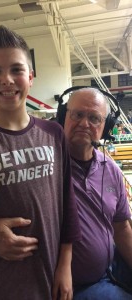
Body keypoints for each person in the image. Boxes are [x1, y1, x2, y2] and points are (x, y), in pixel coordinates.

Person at [0, 25, 81, 300]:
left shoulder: (53, 134)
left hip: (50, 274)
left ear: (31, 75)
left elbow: (68, 202)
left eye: (16, 69)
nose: (7, 79)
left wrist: (65, 265)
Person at [63, 87, 132, 299]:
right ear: (63, 117)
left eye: (94, 118)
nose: (85, 123)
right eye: (78, 115)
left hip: (110, 268)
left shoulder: (110, 169)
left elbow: (121, 228)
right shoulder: (48, 166)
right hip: (76, 285)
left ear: (106, 126)